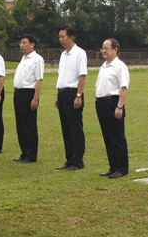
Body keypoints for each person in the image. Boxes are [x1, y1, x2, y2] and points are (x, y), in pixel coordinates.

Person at [94, 38, 130, 178]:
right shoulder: (104, 66)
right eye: (102, 48)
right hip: (101, 103)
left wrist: (119, 106)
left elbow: (124, 87)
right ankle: (113, 166)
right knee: (107, 136)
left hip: (113, 103)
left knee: (117, 136)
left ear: (115, 50)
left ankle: (122, 168)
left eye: (106, 48)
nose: (103, 51)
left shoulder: (119, 66)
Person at [55, 26, 87, 171]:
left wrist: (78, 95)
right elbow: (61, 76)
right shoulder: (63, 55)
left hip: (73, 93)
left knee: (75, 128)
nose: (60, 39)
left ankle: (78, 160)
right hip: (62, 93)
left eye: (63, 36)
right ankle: (69, 158)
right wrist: (58, 96)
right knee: (66, 128)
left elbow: (82, 76)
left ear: (71, 37)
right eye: (60, 36)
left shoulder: (79, 53)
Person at [13, 34, 44, 163]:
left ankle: (31, 154)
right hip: (18, 93)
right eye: (20, 43)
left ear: (32, 45)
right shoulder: (23, 59)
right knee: (20, 124)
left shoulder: (37, 59)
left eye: (24, 43)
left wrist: (35, 98)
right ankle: (24, 152)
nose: (21, 45)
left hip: (29, 93)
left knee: (29, 124)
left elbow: (39, 80)